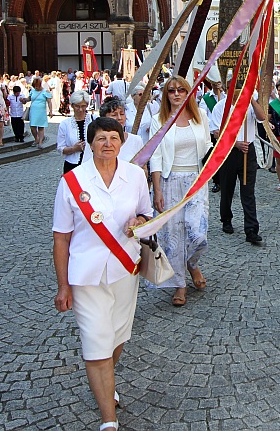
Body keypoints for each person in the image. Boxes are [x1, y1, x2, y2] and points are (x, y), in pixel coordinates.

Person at [52, 117, 153, 431]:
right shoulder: (72, 182)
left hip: (125, 270)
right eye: (100, 138)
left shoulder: (135, 175)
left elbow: (146, 214)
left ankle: (105, 383)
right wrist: (62, 286)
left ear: (122, 142)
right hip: (86, 276)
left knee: (117, 336)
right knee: (96, 341)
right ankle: (109, 419)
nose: (107, 143)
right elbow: (61, 237)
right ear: (90, 143)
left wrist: (138, 220)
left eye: (113, 137)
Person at [148, 76, 211, 307]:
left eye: (181, 90)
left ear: (188, 93)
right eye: (171, 91)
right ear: (166, 95)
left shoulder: (199, 117)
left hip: (195, 180)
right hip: (169, 179)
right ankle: (180, 285)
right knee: (173, 237)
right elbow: (155, 156)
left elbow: (207, 147)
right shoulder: (159, 120)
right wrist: (157, 190)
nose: (176, 94)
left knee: (198, 233)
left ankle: (191, 263)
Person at [211, 87, 269, 246]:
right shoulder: (220, 106)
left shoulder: (250, 105)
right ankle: (226, 219)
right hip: (229, 151)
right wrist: (235, 143)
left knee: (248, 191)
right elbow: (216, 132)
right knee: (227, 188)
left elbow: (262, 117)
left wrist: (251, 100)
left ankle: (251, 229)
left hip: (247, 152)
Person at [58, 91, 96, 174]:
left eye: (83, 106)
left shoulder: (94, 120)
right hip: (72, 165)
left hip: (92, 164)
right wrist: (74, 149)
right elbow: (60, 148)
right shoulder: (65, 124)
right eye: (77, 106)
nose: (80, 109)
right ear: (72, 106)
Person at [27, 76, 52, 148]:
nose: (36, 88)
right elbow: (29, 98)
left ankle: (40, 142)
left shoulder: (45, 91)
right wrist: (24, 99)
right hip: (33, 111)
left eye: (37, 86)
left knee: (41, 127)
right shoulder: (32, 91)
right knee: (32, 127)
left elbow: (49, 102)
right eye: (34, 86)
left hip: (41, 111)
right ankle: (36, 139)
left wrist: (50, 111)